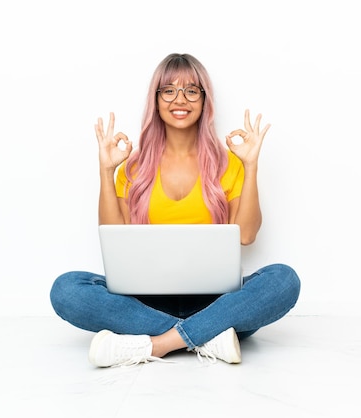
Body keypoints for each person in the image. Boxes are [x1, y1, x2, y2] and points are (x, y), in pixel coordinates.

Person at [49, 53, 301, 368]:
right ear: (156, 100)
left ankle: (158, 344)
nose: (179, 100)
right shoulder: (134, 166)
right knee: (67, 289)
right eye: (169, 90)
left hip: (216, 301)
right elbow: (114, 236)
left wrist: (250, 166)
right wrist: (106, 170)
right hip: (145, 302)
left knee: (283, 279)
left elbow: (247, 234)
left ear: (204, 100)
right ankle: (208, 336)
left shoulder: (229, 163)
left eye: (191, 90)